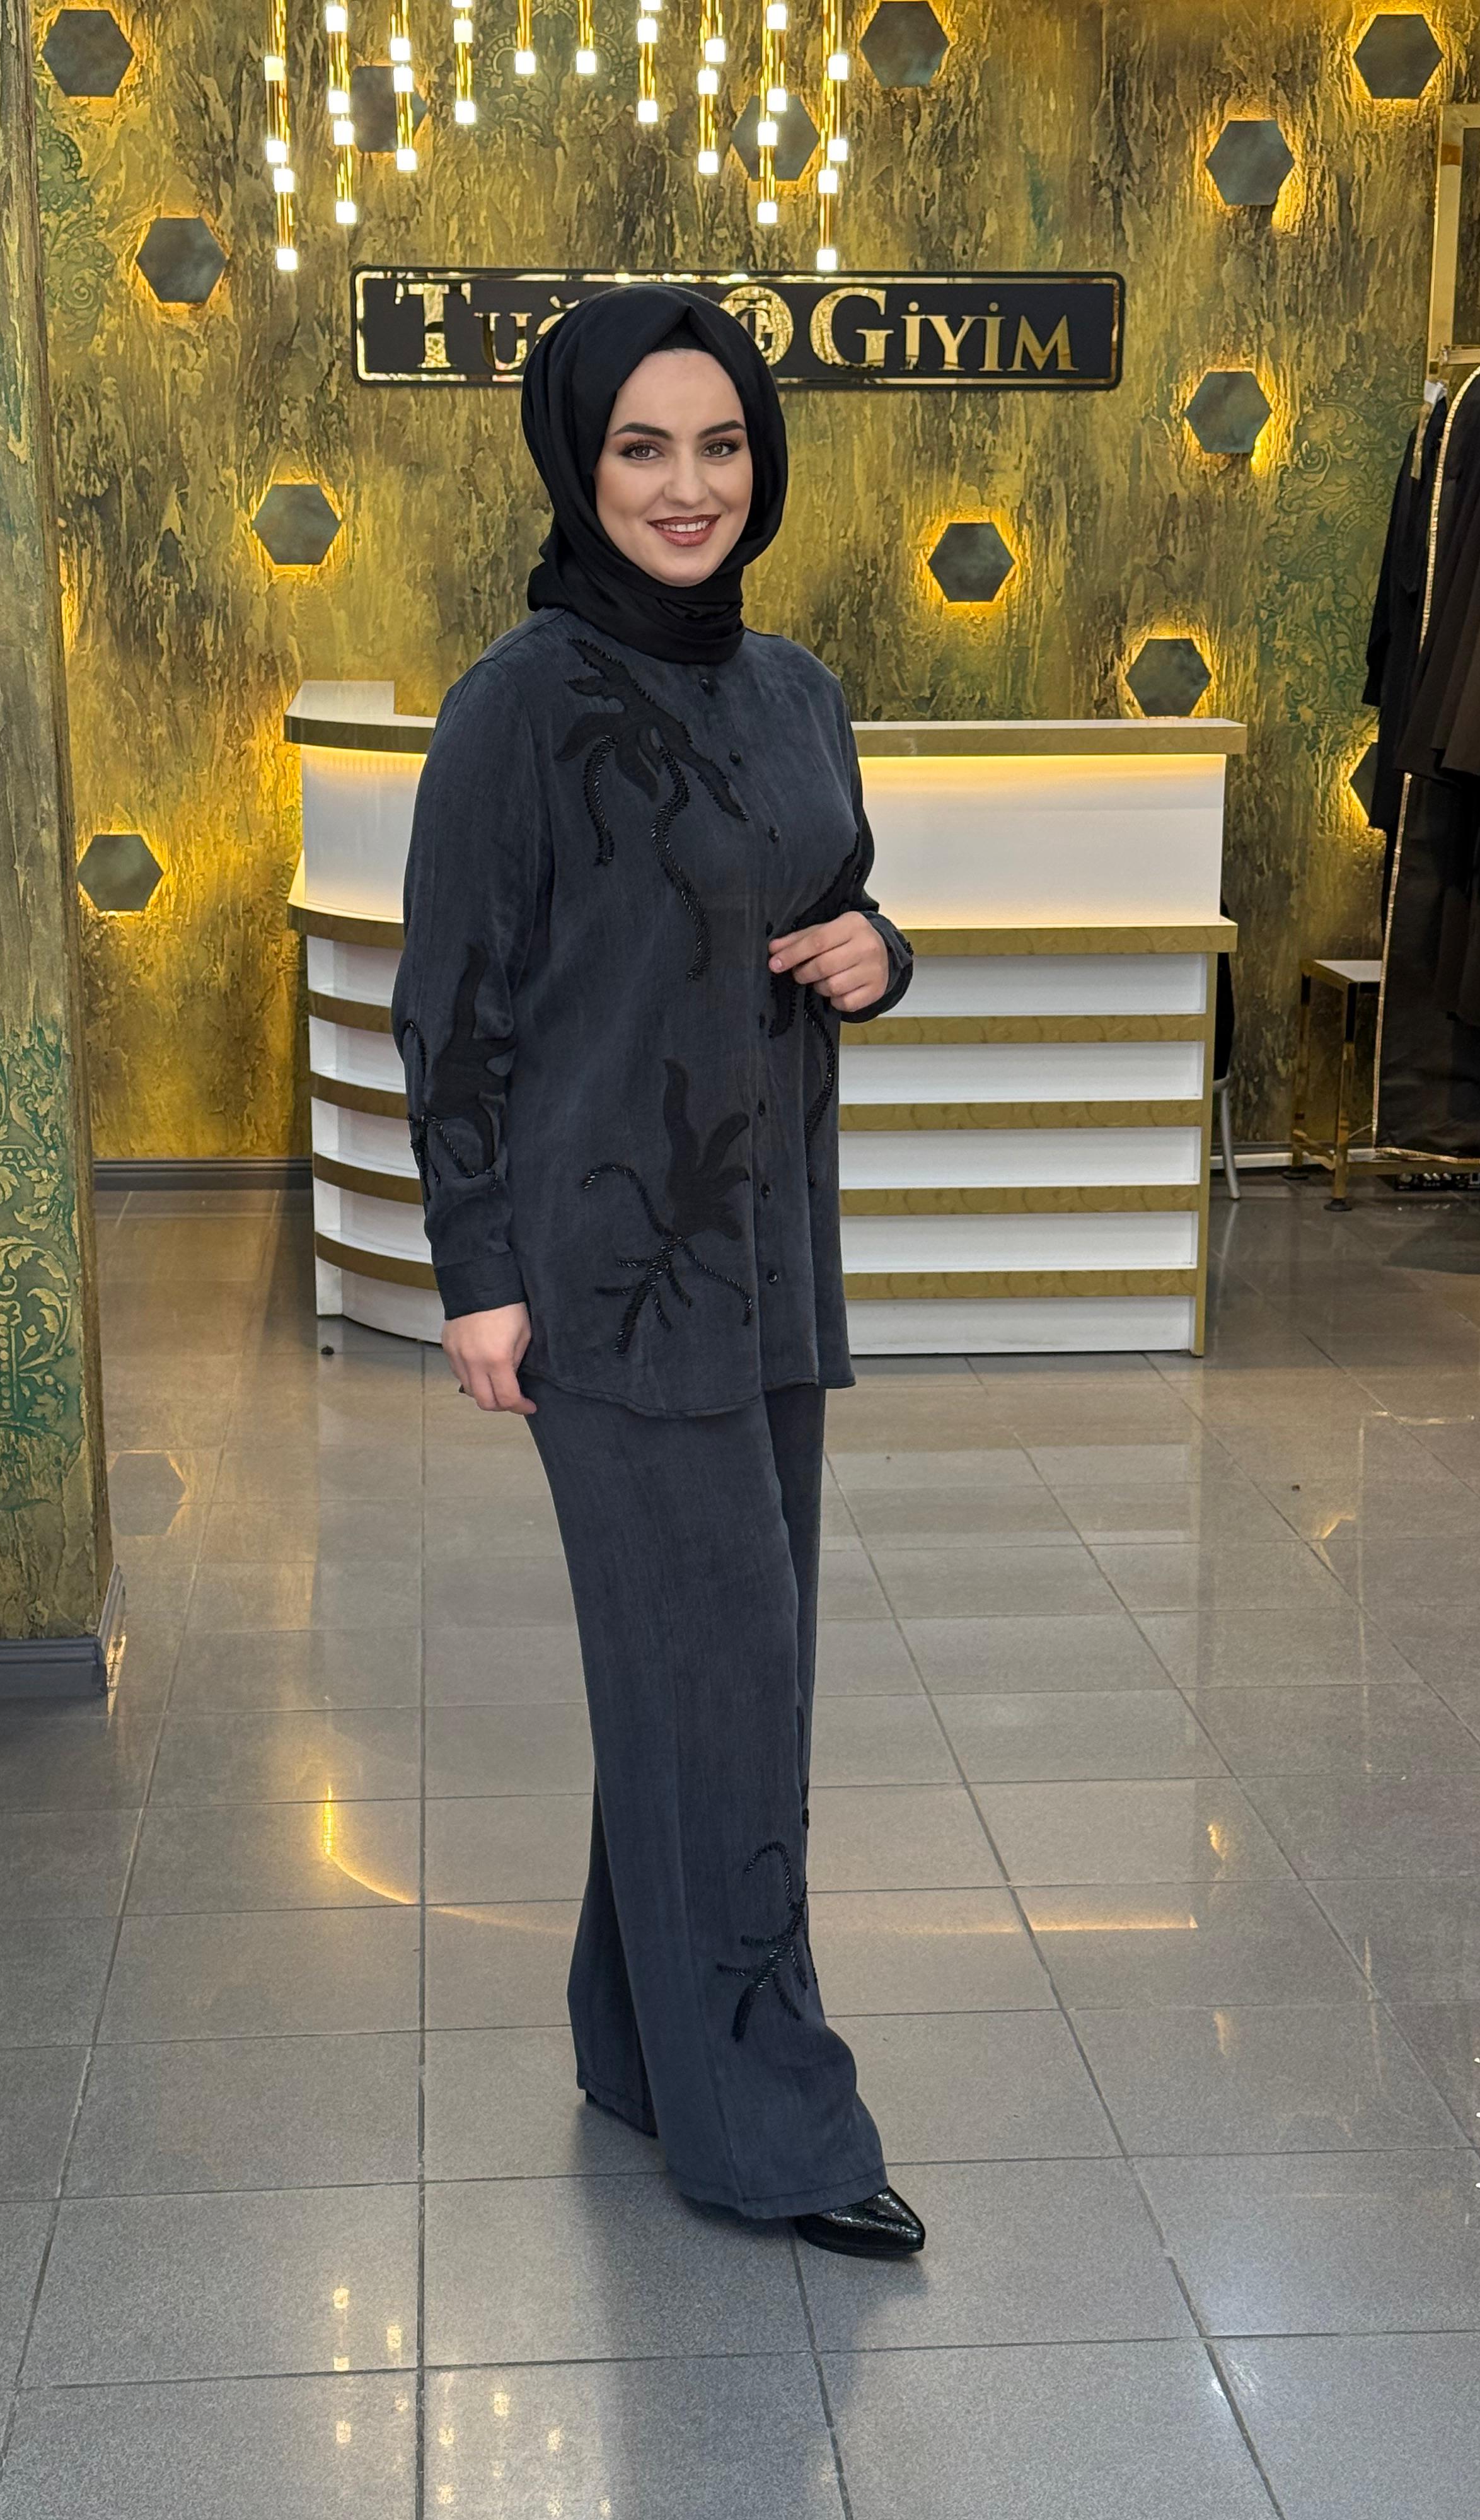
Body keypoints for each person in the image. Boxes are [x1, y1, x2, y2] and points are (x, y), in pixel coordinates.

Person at [390, 282, 923, 2260]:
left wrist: (882, 953)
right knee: (723, 1688)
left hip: (767, 1259)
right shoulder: (518, 705)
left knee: (717, 1676)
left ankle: (638, 2042)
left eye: (721, 445)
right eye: (642, 447)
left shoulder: (795, 690)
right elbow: (449, 1007)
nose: (688, 486)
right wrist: (476, 1272)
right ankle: (772, 2127)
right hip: (607, 1284)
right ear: (577, 461)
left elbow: (830, 896)